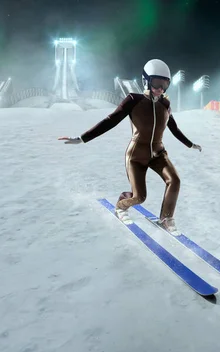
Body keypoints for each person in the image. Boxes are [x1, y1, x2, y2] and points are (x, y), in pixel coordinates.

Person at [58, 59, 202, 233]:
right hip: (136, 155)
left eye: (164, 85)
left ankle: (166, 218)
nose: (160, 89)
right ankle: (120, 206)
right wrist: (81, 138)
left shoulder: (165, 104)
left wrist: (191, 144)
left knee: (175, 180)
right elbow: (110, 120)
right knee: (139, 197)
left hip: (158, 154)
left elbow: (174, 129)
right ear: (146, 81)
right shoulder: (133, 99)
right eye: (156, 83)